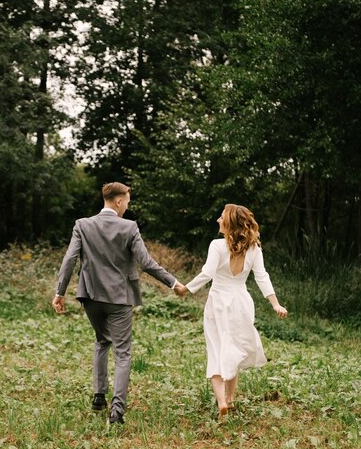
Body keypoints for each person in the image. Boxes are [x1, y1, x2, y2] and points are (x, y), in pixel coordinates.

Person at [52, 182, 185, 425]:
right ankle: (117, 411)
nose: (127, 207)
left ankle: (99, 396)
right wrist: (173, 282)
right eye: (127, 202)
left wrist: (59, 292)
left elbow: (69, 259)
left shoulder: (82, 225)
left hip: (90, 296)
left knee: (102, 341)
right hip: (120, 298)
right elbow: (145, 263)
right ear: (119, 201)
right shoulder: (129, 227)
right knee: (123, 352)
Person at [177, 203, 288, 420]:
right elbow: (262, 276)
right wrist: (275, 304)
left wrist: (187, 288)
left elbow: (207, 272)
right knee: (233, 349)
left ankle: (221, 402)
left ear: (229, 222)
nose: (218, 220)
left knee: (217, 349)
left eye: (221, 217)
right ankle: (230, 399)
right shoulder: (254, 248)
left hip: (219, 302)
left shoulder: (217, 245)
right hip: (242, 303)